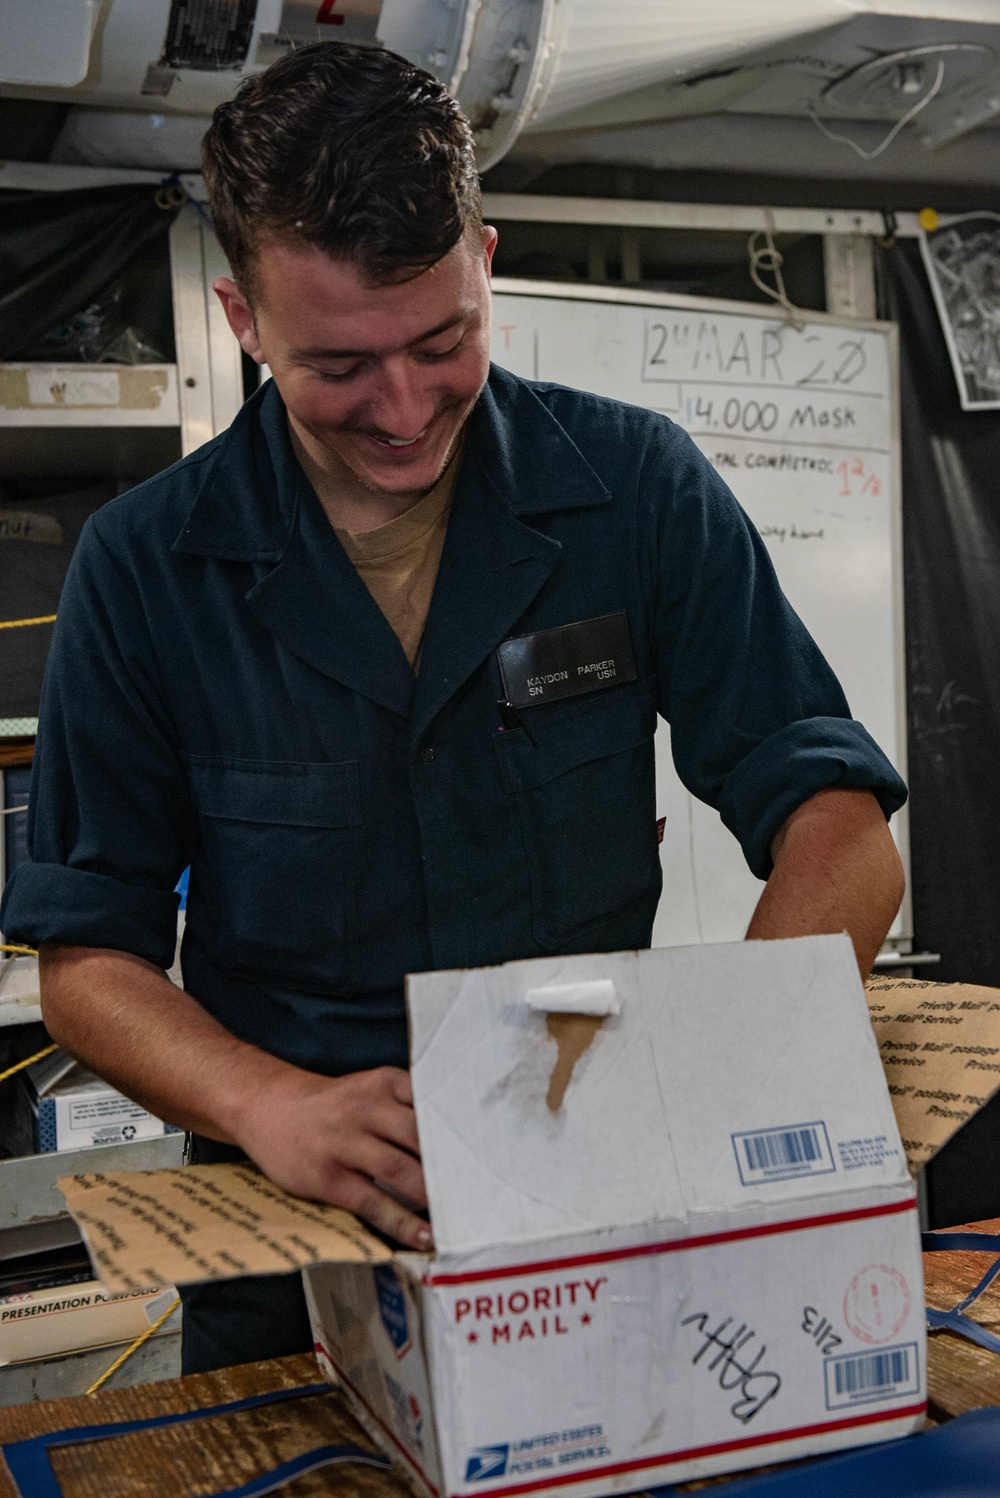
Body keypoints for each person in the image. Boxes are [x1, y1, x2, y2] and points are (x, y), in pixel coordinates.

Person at [0, 42, 906, 1373]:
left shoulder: (637, 490)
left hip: (602, 1227)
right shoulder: (146, 567)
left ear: (484, 257)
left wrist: (728, 1071)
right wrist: (270, 1104)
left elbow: (839, 820)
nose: (406, 410)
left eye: (443, 340)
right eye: (340, 367)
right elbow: (87, 962)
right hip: (297, 1269)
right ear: (242, 316)